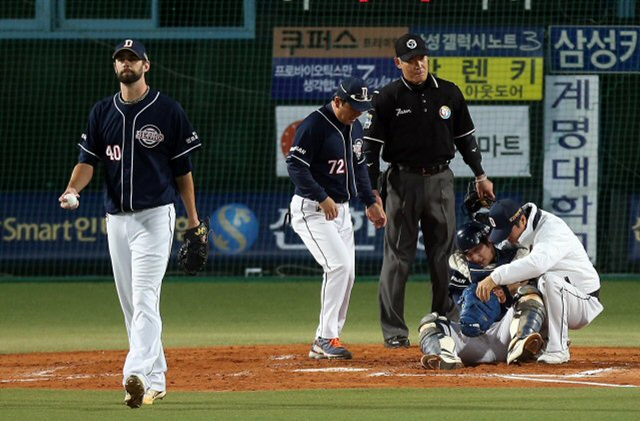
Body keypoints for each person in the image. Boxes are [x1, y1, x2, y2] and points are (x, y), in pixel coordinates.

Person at [59, 39, 204, 408]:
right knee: (131, 304)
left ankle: (134, 374)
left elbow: (183, 170)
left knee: (143, 297)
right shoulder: (102, 111)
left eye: (132, 58)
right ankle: (155, 380)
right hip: (117, 219)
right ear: (116, 67)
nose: (126, 64)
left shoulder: (168, 110)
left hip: (156, 216)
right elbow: (87, 160)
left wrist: (193, 219)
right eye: (121, 59)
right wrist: (73, 188)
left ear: (146, 66)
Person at [363, 33, 495, 348]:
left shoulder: (449, 92)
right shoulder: (387, 97)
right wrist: (372, 195)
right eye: (410, 60)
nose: (417, 64)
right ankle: (394, 331)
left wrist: (480, 175)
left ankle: (444, 322)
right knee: (397, 258)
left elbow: (466, 140)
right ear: (398, 63)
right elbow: (370, 150)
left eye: (421, 57)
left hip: (441, 180)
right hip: (401, 182)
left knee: (446, 257)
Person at [287, 77, 387, 360]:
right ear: (338, 101)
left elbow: (359, 169)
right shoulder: (314, 125)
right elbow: (295, 166)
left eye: (362, 107)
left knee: (348, 273)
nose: (358, 112)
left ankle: (331, 336)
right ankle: (324, 337)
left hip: (341, 211)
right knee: (339, 267)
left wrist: (370, 202)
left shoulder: (353, 126)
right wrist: (321, 196)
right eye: (354, 106)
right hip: (312, 210)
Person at [476, 199, 604, 364]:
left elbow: (537, 265)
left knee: (548, 280)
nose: (506, 237)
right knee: (529, 290)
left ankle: (558, 349)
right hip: (560, 298)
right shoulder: (525, 230)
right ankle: (539, 343)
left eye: (507, 231)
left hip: (583, 301)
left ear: (522, 220)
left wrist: (495, 277)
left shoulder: (551, 229)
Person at [416, 221, 546, 369]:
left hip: (506, 334)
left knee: (530, 295)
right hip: (475, 341)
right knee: (430, 323)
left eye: (477, 249)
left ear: (490, 242)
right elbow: (465, 310)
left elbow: (535, 301)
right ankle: (445, 357)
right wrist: (483, 299)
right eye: (468, 254)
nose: (475, 257)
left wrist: (506, 298)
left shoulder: (516, 260)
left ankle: (521, 343)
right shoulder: (462, 270)